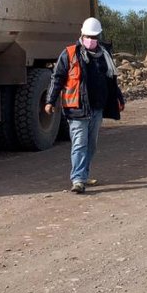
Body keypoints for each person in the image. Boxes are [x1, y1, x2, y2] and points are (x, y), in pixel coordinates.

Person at [45, 17, 125, 193]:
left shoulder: (104, 55)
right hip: (77, 109)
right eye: (88, 36)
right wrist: (50, 100)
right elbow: (57, 78)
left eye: (94, 36)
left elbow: (111, 80)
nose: (91, 40)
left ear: (99, 36)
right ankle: (78, 179)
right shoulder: (69, 54)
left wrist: (118, 98)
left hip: (97, 108)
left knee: (91, 144)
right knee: (79, 144)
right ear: (82, 34)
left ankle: (84, 174)